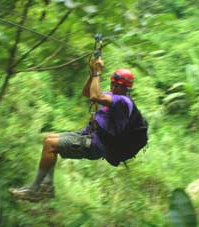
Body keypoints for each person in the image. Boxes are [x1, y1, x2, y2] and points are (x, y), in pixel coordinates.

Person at [9, 57, 140, 202]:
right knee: (48, 139)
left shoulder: (124, 102)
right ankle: (47, 187)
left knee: (50, 145)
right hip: (89, 134)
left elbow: (96, 95)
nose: (113, 87)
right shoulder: (112, 95)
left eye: (117, 85)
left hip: (96, 144)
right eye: (112, 83)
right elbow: (87, 93)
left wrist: (97, 73)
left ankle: (34, 189)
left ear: (126, 88)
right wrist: (92, 73)